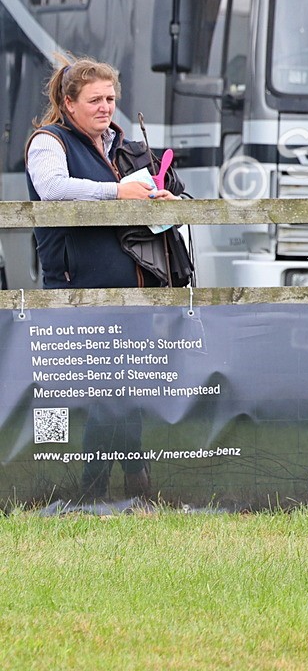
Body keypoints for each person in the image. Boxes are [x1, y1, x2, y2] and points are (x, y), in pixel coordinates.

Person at [24, 55, 179, 499]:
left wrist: (156, 197)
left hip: (132, 287)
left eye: (111, 98)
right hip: (77, 289)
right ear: (69, 103)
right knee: (105, 391)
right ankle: (104, 487)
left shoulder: (120, 145)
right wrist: (118, 191)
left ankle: (123, 484)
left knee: (125, 387)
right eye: (95, 99)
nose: (105, 107)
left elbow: (137, 201)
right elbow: (53, 188)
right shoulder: (48, 141)